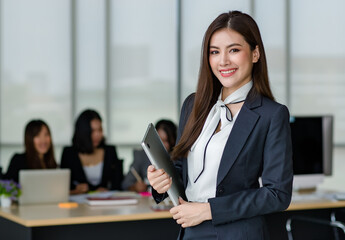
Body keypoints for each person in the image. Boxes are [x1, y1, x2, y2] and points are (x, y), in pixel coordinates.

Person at [147, 11, 293, 239]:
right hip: (190, 230)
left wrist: (208, 210)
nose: (223, 60)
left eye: (234, 50)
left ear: (255, 54)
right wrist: (160, 182)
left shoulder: (271, 114)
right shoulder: (194, 105)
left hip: (237, 232)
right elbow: (182, 170)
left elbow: (277, 194)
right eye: (214, 52)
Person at [60, 109, 123, 195]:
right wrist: (76, 190)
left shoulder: (110, 151)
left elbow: (118, 185)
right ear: (82, 132)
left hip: (106, 203)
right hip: (78, 205)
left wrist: (108, 190)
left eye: (100, 130)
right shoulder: (69, 153)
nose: (98, 135)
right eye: (92, 131)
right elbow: (64, 187)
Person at [121, 119, 177, 193]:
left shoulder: (178, 159)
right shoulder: (141, 155)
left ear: (173, 142)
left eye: (165, 141)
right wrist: (135, 187)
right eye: (159, 140)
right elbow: (125, 184)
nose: (161, 144)